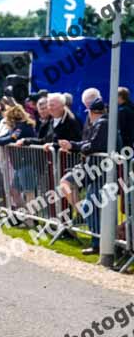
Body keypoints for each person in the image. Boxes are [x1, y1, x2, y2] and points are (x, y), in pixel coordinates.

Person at [58, 97, 116, 255]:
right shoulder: (103, 122)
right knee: (92, 207)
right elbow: (90, 143)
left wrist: (74, 146)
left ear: (91, 112)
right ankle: (99, 243)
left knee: (92, 207)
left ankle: (103, 244)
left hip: (100, 171)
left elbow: (94, 145)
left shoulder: (102, 123)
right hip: (99, 171)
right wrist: (74, 146)